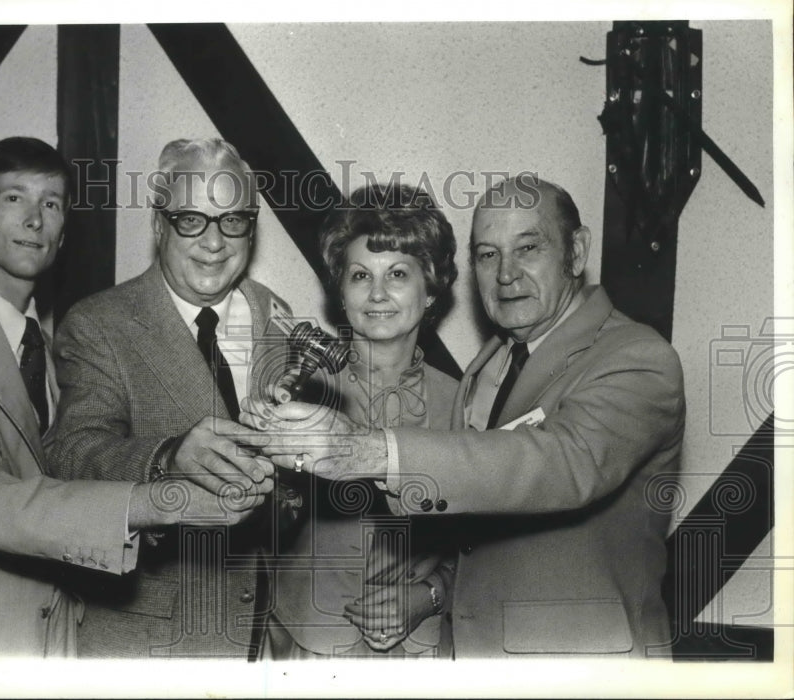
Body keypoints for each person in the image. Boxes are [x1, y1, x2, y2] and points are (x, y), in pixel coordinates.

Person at [247, 175, 686, 658]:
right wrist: (261, 458)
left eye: (528, 248)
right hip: (335, 641)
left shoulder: (637, 357)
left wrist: (428, 593)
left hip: (551, 659)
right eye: (488, 254)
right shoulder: (487, 373)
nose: (506, 274)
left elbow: (559, 462)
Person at [0, 137, 261, 657]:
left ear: (63, 230)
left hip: (54, 644)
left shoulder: (51, 353)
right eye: (14, 198)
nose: (35, 219)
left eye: (51, 203)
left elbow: (63, 468)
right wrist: (164, 498)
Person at [47, 138, 289, 658]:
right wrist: (166, 457)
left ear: (252, 226)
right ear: (159, 224)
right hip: (152, 645)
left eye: (233, 220)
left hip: (265, 640)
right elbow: (71, 452)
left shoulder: (278, 316)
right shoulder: (99, 323)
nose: (214, 241)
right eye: (191, 219)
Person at [261, 183, 459, 659]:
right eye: (358, 276)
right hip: (309, 642)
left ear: (430, 289)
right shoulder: (298, 388)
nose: (377, 294)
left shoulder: (462, 403)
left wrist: (428, 595)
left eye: (397, 274)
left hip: (420, 651)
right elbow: (259, 530)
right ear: (340, 293)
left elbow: (485, 549)